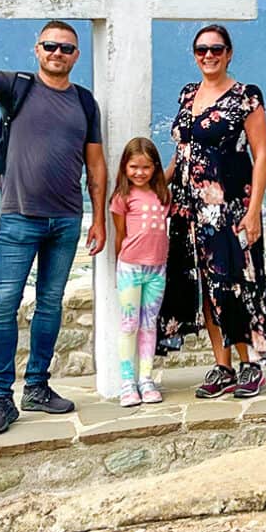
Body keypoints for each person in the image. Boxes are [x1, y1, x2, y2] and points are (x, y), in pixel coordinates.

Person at [0, 0, 107, 435]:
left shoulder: (85, 103)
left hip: (66, 220)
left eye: (67, 48)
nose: (58, 53)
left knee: (50, 305)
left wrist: (99, 218)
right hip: (19, 216)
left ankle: (36, 386)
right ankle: (0, 397)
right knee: (4, 307)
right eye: (50, 46)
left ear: (76, 56)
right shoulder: (16, 87)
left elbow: (95, 166)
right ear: (37, 50)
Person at [156, 23, 266, 399]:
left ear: (229, 53)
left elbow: (261, 154)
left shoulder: (246, 96)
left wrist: (254, 210)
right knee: (203, 286)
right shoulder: (187, 94)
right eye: (201, 50)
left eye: (215, 49)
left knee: (234, 283)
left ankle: (249, 364)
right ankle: (222, 365)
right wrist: (157, 183)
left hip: (229, 207)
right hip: (187, 209)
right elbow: (183, 153)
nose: (208, 56)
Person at [109, 137, 171, 407]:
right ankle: (127, 382)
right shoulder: (122, 197)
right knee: (129, 324)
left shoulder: (162, 195)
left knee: (149, 324)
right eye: (134, 166)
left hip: (157, 268)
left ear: (155, 168)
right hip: (130, 268)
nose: (139, 172)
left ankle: (146, 379)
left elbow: (169, 176)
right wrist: (117, 267)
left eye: (146, 167)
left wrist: (178, 158)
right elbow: (120, 235)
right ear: (125, 166)